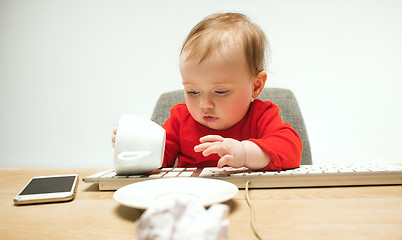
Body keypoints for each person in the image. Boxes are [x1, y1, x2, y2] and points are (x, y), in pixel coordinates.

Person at [113, 12, 302, 171]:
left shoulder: (262, 115)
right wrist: (135, 145)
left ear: (256, 86)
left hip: (248, 197)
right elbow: (157, 162)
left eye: (220, 91)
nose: (204, 105)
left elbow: (291, 149)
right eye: (193, 92)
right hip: (193, 200)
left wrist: (245, 153)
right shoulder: (180, 120)